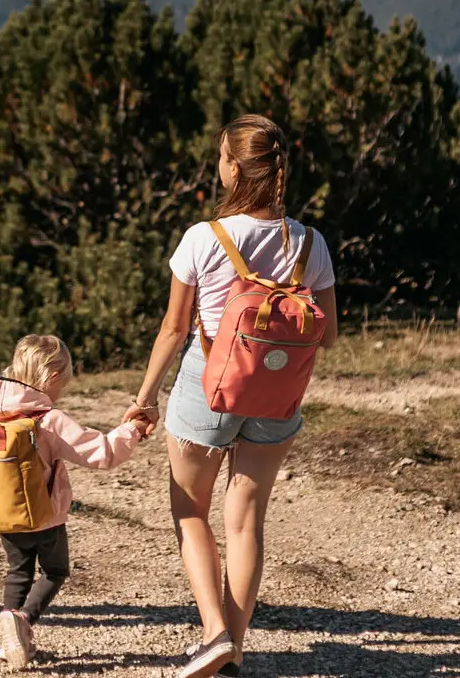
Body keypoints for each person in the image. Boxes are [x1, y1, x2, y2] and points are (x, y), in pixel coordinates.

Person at [127, 115, 338, 678]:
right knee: (246, 520)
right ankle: (233, 651)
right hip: (278, 393)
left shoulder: (204, 237)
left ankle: (214, 635)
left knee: (190, 509)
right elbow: (330, 334)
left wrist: (144, 396)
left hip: (208, 384)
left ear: (235, 169)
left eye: (222, 155)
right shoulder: (312, 244)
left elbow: (174, 329)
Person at [0, 335, 151, 668]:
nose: (61, 390)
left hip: (2, 513)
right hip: (45, 518)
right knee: (55, 571)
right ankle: (22, 620)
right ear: (51, 378)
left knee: (18, 571)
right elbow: (103, 453)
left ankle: (11, 638)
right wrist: (133, 429)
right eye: (62, 383)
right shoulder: (46, 420)